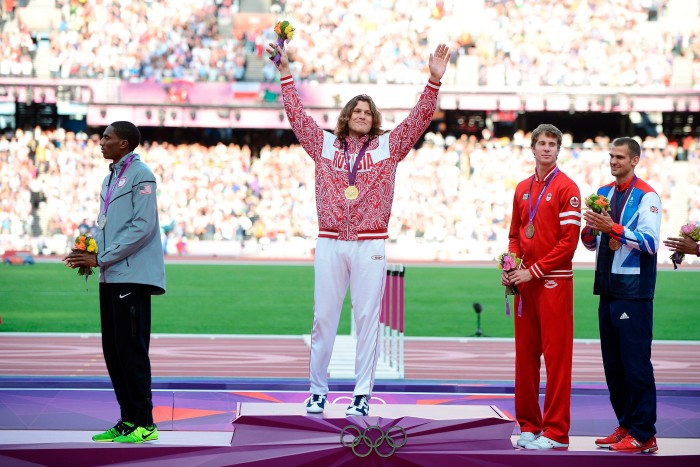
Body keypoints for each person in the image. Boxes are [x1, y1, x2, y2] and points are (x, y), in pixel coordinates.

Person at [266, 41, 449, 416]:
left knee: (368, 320)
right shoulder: (323, 144)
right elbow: (297, 116)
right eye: (357, 110)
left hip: (371, 244)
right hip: (331, 241)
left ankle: (361, 394)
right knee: (323, 318)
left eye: (368, 111)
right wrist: (285, 73)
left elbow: (418, 119)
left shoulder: (388, 146)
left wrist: (433, 80)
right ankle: (318, 390)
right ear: (347, 116)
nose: (362, 114)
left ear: (374, 118)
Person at [64, 121, 166, 443]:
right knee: (114, 350)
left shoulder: (142, 175)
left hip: (132, 276)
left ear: (124, 144)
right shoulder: (110, 177)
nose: (102, 141)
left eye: (108, 137)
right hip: (112, 275)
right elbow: (108, 223)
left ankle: (145, 423)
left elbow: (142, 227)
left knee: (132, 350)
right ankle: (127, 420)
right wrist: (89, 251)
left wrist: (102, 256)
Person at [501, 124, 582, 450]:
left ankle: (557, 433)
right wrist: (511, 266)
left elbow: (568, 243)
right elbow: (515, 235)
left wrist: (531, 271)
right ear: (532, 148)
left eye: (552, 144)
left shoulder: (568, 188)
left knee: (557, 360)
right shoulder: (521, 189)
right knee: (525, 359)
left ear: (558, 150)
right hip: (526, 285)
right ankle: (530, 426)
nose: (547, 149)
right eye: (542, 143)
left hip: (553, 283)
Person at [581, 137, 661, 453]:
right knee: (613, 366)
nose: (613, 162)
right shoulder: (602, 193)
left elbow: (651, 243)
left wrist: (612, 228)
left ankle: (644, 433)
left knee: (635, 364)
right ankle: (626, 424)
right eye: (611, 156)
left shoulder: (647, 196)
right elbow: (591, 244)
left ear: (635, 160)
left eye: (620, 157)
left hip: (634, 291)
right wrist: (590, 230)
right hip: (607, 288)